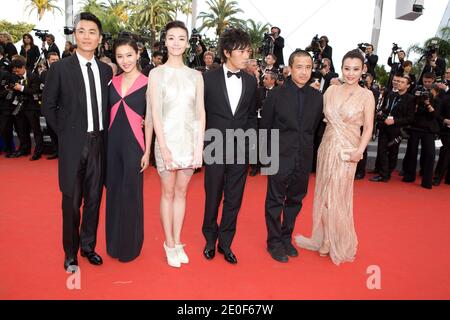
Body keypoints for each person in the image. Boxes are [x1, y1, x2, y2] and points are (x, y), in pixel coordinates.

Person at [42, 12, 113, 272]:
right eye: (81, 31)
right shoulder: (60, 68)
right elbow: (48, 107)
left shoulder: (106, 69)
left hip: (99, 144)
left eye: (92, 32)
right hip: (74, 144)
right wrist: (66, 134)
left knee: (94, 198)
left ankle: (88, 246)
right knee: (71, 203)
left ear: (99, 38)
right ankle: (70, 253)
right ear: (75, 35)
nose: (86, 36)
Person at [295, 49, 375, 265]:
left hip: (347, 151)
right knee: (323, 192)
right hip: (327, 147)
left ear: (363, 70)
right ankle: (325, 236)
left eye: (355, 69)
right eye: (347, 68)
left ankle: (331, 240)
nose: (350, 73)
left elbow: (368, 127)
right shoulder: (331, 91)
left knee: (336, 196)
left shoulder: (367, 96)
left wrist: (359, 150)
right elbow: (314, 113)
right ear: (341, 68)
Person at [148, 21, 205, 268]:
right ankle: (169, 243)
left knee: (182, 193)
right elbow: (155, 114)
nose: (176, 43)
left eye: (181, 38)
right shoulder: (156, 74)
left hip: (189, 143)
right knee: (168, 192)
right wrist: (163, 147)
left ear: (187, 42)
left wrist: (198, 146)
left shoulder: (196, 76)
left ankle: (178, 240)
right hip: (167, 142)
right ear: (165, 41)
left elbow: (200, 112)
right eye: (171, 38)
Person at [260, 49, 323, 263]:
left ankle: (286, 237)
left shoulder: (317, 97)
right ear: (290, 68)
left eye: (308, 67)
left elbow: (313, 129)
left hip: (303, 157)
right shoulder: (276, 94)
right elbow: (265, 127)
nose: (304, 72)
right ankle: (273, 241)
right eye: (299, 67)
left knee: (295, 200)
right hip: (277, 155)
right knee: (274, 200)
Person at [201, 27, 258, 265]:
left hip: (240, 149)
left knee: (234, 198)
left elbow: (252, 116)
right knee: (212, 196)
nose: (247, 55)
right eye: (242, 51)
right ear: (226, 52)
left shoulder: (251, 81)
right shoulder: (207, 79)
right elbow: (200, 114)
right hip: (214, 146)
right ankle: (209, 240)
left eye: (248, 50)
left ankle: (226, 243)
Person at [105, 37, 152, 262]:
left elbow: (151, 120)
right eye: (120, 56)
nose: (125, 60)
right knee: (113, 193)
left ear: (138, 54)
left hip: (135, 145)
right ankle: (113, 244)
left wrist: (147, 152)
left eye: (129, 55)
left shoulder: (148, 83)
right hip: (112, 145)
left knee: (131, 195)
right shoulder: (111, 83)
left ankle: (130, 246)